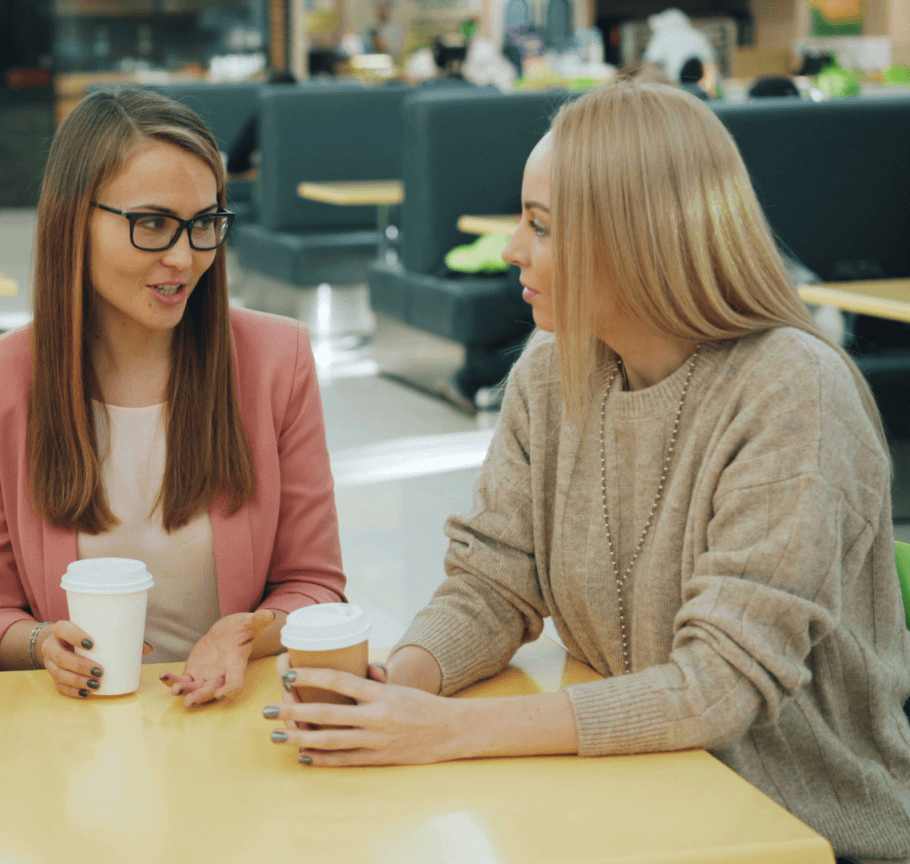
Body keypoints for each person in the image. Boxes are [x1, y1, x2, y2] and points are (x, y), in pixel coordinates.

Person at [261, 81, 910, 864]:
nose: (510, 249)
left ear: (637, 238)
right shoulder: (551, 368)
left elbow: (717, 687)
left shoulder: (791, 389)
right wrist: (405, 682)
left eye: (539, 225)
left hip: (802, 832)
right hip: (641, 797)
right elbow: (493, 583)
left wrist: (451, 732)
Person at [0, 86, 346, 704]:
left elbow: (314, 586)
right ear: (73, 219)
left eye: (206, 224)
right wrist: (39, 644)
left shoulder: (277, 361)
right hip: (76, 742)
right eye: (153, 224)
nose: (185, 258)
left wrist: (243, 637)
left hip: (227, 723)